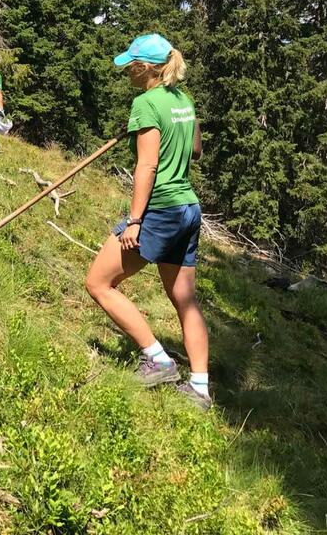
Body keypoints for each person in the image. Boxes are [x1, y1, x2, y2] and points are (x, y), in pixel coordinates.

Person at [83, 34, 210, 408]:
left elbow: (147, 166)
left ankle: (156, 358)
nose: (127, 71)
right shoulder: (183, 100)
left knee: (99, 282)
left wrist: (135, 221)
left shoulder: (145, 103)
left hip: (161, 210)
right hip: (188, 209)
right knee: (185, 299)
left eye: (131, 65)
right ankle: (200, 387)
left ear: (146, 68)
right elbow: (197, 150)